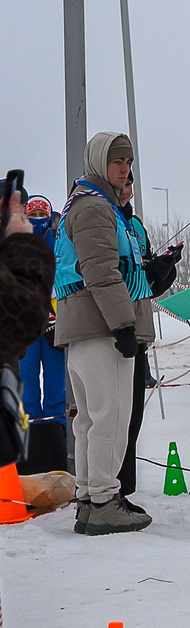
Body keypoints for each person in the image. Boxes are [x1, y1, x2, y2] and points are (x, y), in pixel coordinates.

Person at [52, 132, 173, 535]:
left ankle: (89, 498)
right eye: (117, 160)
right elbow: (101, 272)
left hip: (87, 325)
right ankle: (104, 499)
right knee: (110, 418)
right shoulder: (94, 209)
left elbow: (117, 270)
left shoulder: (94, 206)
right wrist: (123, 325)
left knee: (90, 420)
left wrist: (151, 273)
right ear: (97, 162)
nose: (125, 168)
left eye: (129, 161)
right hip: (101, 326)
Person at [15, 195, 71, 475]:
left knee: (56, 391)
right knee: (26, 390)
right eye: (32, 212)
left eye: (42, 212)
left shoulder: (58, 242)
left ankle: (56, 447)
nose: (37, 216)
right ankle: (30, 453)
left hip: (52, 328)